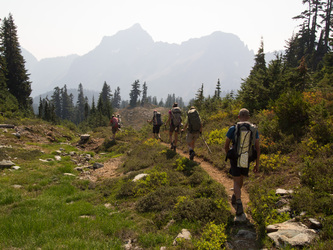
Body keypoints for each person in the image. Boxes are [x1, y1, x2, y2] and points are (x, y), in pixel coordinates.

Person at [224, 108, 260, 216]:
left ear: (238, 117)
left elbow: (226, 145)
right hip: (246, 156)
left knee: (235, 180)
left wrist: (229, 155)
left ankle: (238, 202)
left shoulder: (233, 128)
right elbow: (257, 148)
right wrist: (257, 164)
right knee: (241, 178)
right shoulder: (254, 129)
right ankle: (236, 196)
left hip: (235, 156)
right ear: (248, 117)